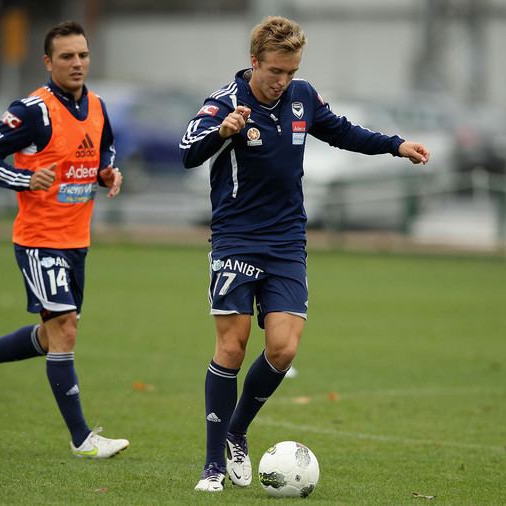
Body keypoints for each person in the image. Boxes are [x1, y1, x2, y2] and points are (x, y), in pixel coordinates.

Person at [180, 16, 429, 492]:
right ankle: (212, 465)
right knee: (231, 347)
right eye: (275, 71)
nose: (282, 81)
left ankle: (237, 430)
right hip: (235, 238)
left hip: (287, 241)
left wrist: (396, 145)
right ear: (254, 62)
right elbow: (187, 151)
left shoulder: (303, 97)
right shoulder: (225, 103)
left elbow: (343, 131)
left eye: (290, 72)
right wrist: (223, 132)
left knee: (283, 348)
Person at [0, 20, 128, 459]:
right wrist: (24, 179)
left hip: (77, 239)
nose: (77, 63)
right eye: (66, 56)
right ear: (48, 62)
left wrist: (108, 173)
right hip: (39, 239)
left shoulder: (99, 106)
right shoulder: (32, 110)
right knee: (64, 330)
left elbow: (105, 151)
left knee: (51, 335)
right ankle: (82, 439)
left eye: (82, 55)